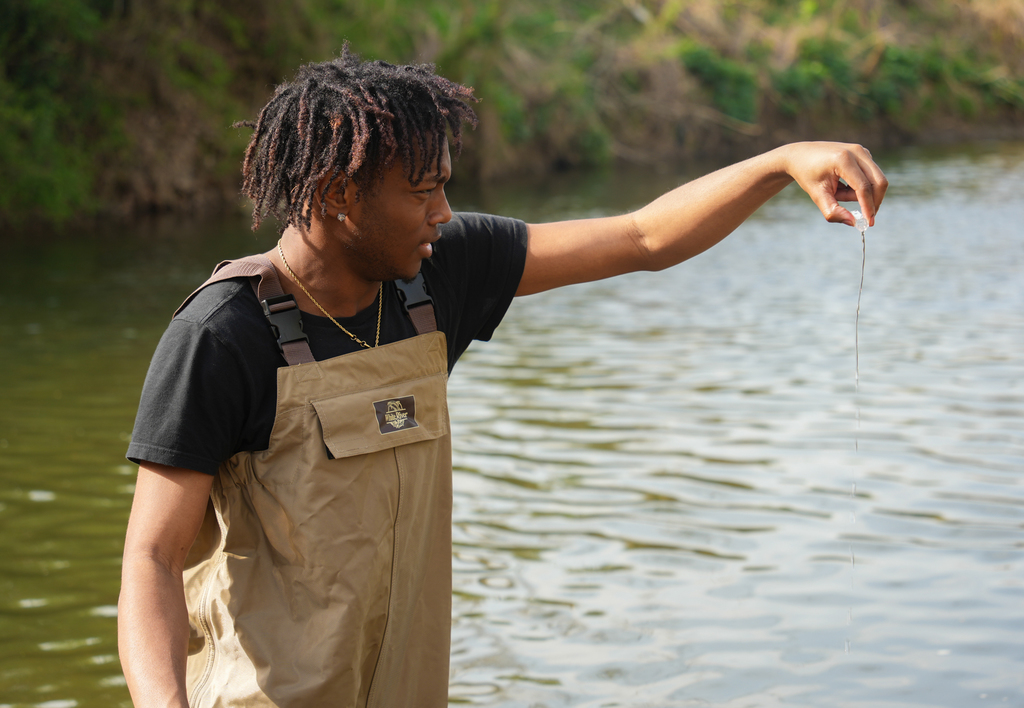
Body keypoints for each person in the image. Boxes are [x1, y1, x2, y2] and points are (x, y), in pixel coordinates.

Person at [117, 47, 887, 708]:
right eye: (422, 192)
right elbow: (151, 559)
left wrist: (780, 162)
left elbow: (643, 237)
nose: (444, 214)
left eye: (445, 186)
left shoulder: (437, 279)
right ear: (336, 196)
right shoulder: (223, 336)